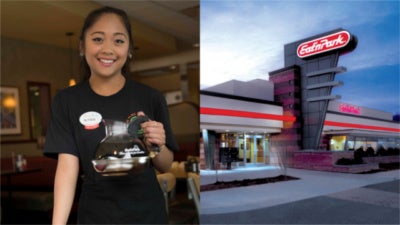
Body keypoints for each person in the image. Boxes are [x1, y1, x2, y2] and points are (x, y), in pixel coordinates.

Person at [43, 6, 178, 224]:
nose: (108, 49)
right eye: (97, 39)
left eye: (118, 41)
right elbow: (67, 168)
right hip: (95, 215)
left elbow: (165, 165)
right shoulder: (66, 100)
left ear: (129, 49)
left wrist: (158, 145)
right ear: (81, 46)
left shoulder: (150, 98)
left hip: (147, 214)